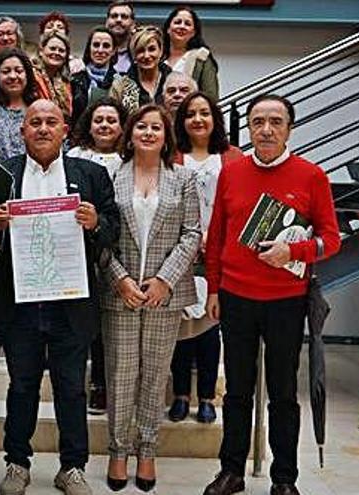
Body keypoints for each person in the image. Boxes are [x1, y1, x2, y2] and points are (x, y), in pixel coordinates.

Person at [202, 94, 341, 495]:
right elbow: (217, 238)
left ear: (289, 129)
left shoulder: (312, 176)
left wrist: (293, 252)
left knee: (283, 394)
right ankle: (231, 471)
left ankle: (284, 479)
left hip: (286, 301)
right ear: (247, 128)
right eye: (258, 121)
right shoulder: (231, 173)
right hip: (235, 297)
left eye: (275, 122)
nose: (266, 129)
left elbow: (330, 240)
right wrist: (213, 287)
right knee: (237, 392)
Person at [0, 100, 118, 495]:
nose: (43, 128)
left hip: (71, 302)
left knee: (71, 388)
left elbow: (114, 229)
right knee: (22, 386)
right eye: (35, 123)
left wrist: (96, 223)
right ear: (22, 131)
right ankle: (16, 463)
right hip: (20, 302)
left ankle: (72, 467)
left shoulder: (90, 174)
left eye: (51, 122)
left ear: (65, 130)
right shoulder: (1, 174)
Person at [100, 104, 200, 493]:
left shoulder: (184, 179)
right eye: (141, 125)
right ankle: (118, 450)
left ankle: (147, 449)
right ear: (130, 132)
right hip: (120, 292)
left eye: (156, 127)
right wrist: (120, 279)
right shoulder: (110, 175)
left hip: (164, 294)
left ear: (166, 134)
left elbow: (192, 233)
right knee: (121, 374)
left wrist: (164, 280)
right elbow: (102, 235)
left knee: (155, 374)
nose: (148, 132)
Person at [168, 91, 243, 424]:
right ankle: (181, 395)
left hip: (221, 256)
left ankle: (208, 397)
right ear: (181, 122)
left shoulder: (234, 157)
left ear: (215, 119)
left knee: (210, 328)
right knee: (181, 328)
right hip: (181, 253)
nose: (197, 119)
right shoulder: (172, 156)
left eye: (204, 113)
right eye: (190, 114)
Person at [66, 96, 127, 415]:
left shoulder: (130, 159)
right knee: (89, 323)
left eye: (111, 120)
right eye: (98, 119)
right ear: (88, 124)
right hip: (81, 251)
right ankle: (96, 385)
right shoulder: (74, 157)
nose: (104, 125)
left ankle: (114, 384)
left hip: (123, 250)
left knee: (113, 325)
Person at [109, 25, 171, 116]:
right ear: (133, 54)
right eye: (140, 50)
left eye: (152, 49)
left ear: (160, 51)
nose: (146, 56)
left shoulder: (175, 82)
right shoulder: (120, 86)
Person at [162, 6, 220, 101]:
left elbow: (211, 98)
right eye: (177, 22)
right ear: (168, 29)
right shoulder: (157, 58)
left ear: (193, 32)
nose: (182, 26)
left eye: (187, 24)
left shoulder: (202, 59)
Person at [71, 26, 117, 124]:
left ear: (113, 51)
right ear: (89, 48)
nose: (100, 50)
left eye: (106, 46)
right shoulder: (75, 78)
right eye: (96, 45)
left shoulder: (120, 82)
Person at [32, 31, 73, 123]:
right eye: (52, 48)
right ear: (41, 51)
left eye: (61, 50)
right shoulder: (31, 76)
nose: (57, 53)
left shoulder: (65, 82)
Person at [36, 11, 85, 75]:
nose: (55, 29)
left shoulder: (74, 64)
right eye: (49, 27)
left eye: (60, 27)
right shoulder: (31, 65)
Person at [105, 1, 136, 75]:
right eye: (114, 16)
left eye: (124, 16)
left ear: (133, 24)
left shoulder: (140, 52)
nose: (118, 20)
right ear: (107, 22)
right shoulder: (96, 51)